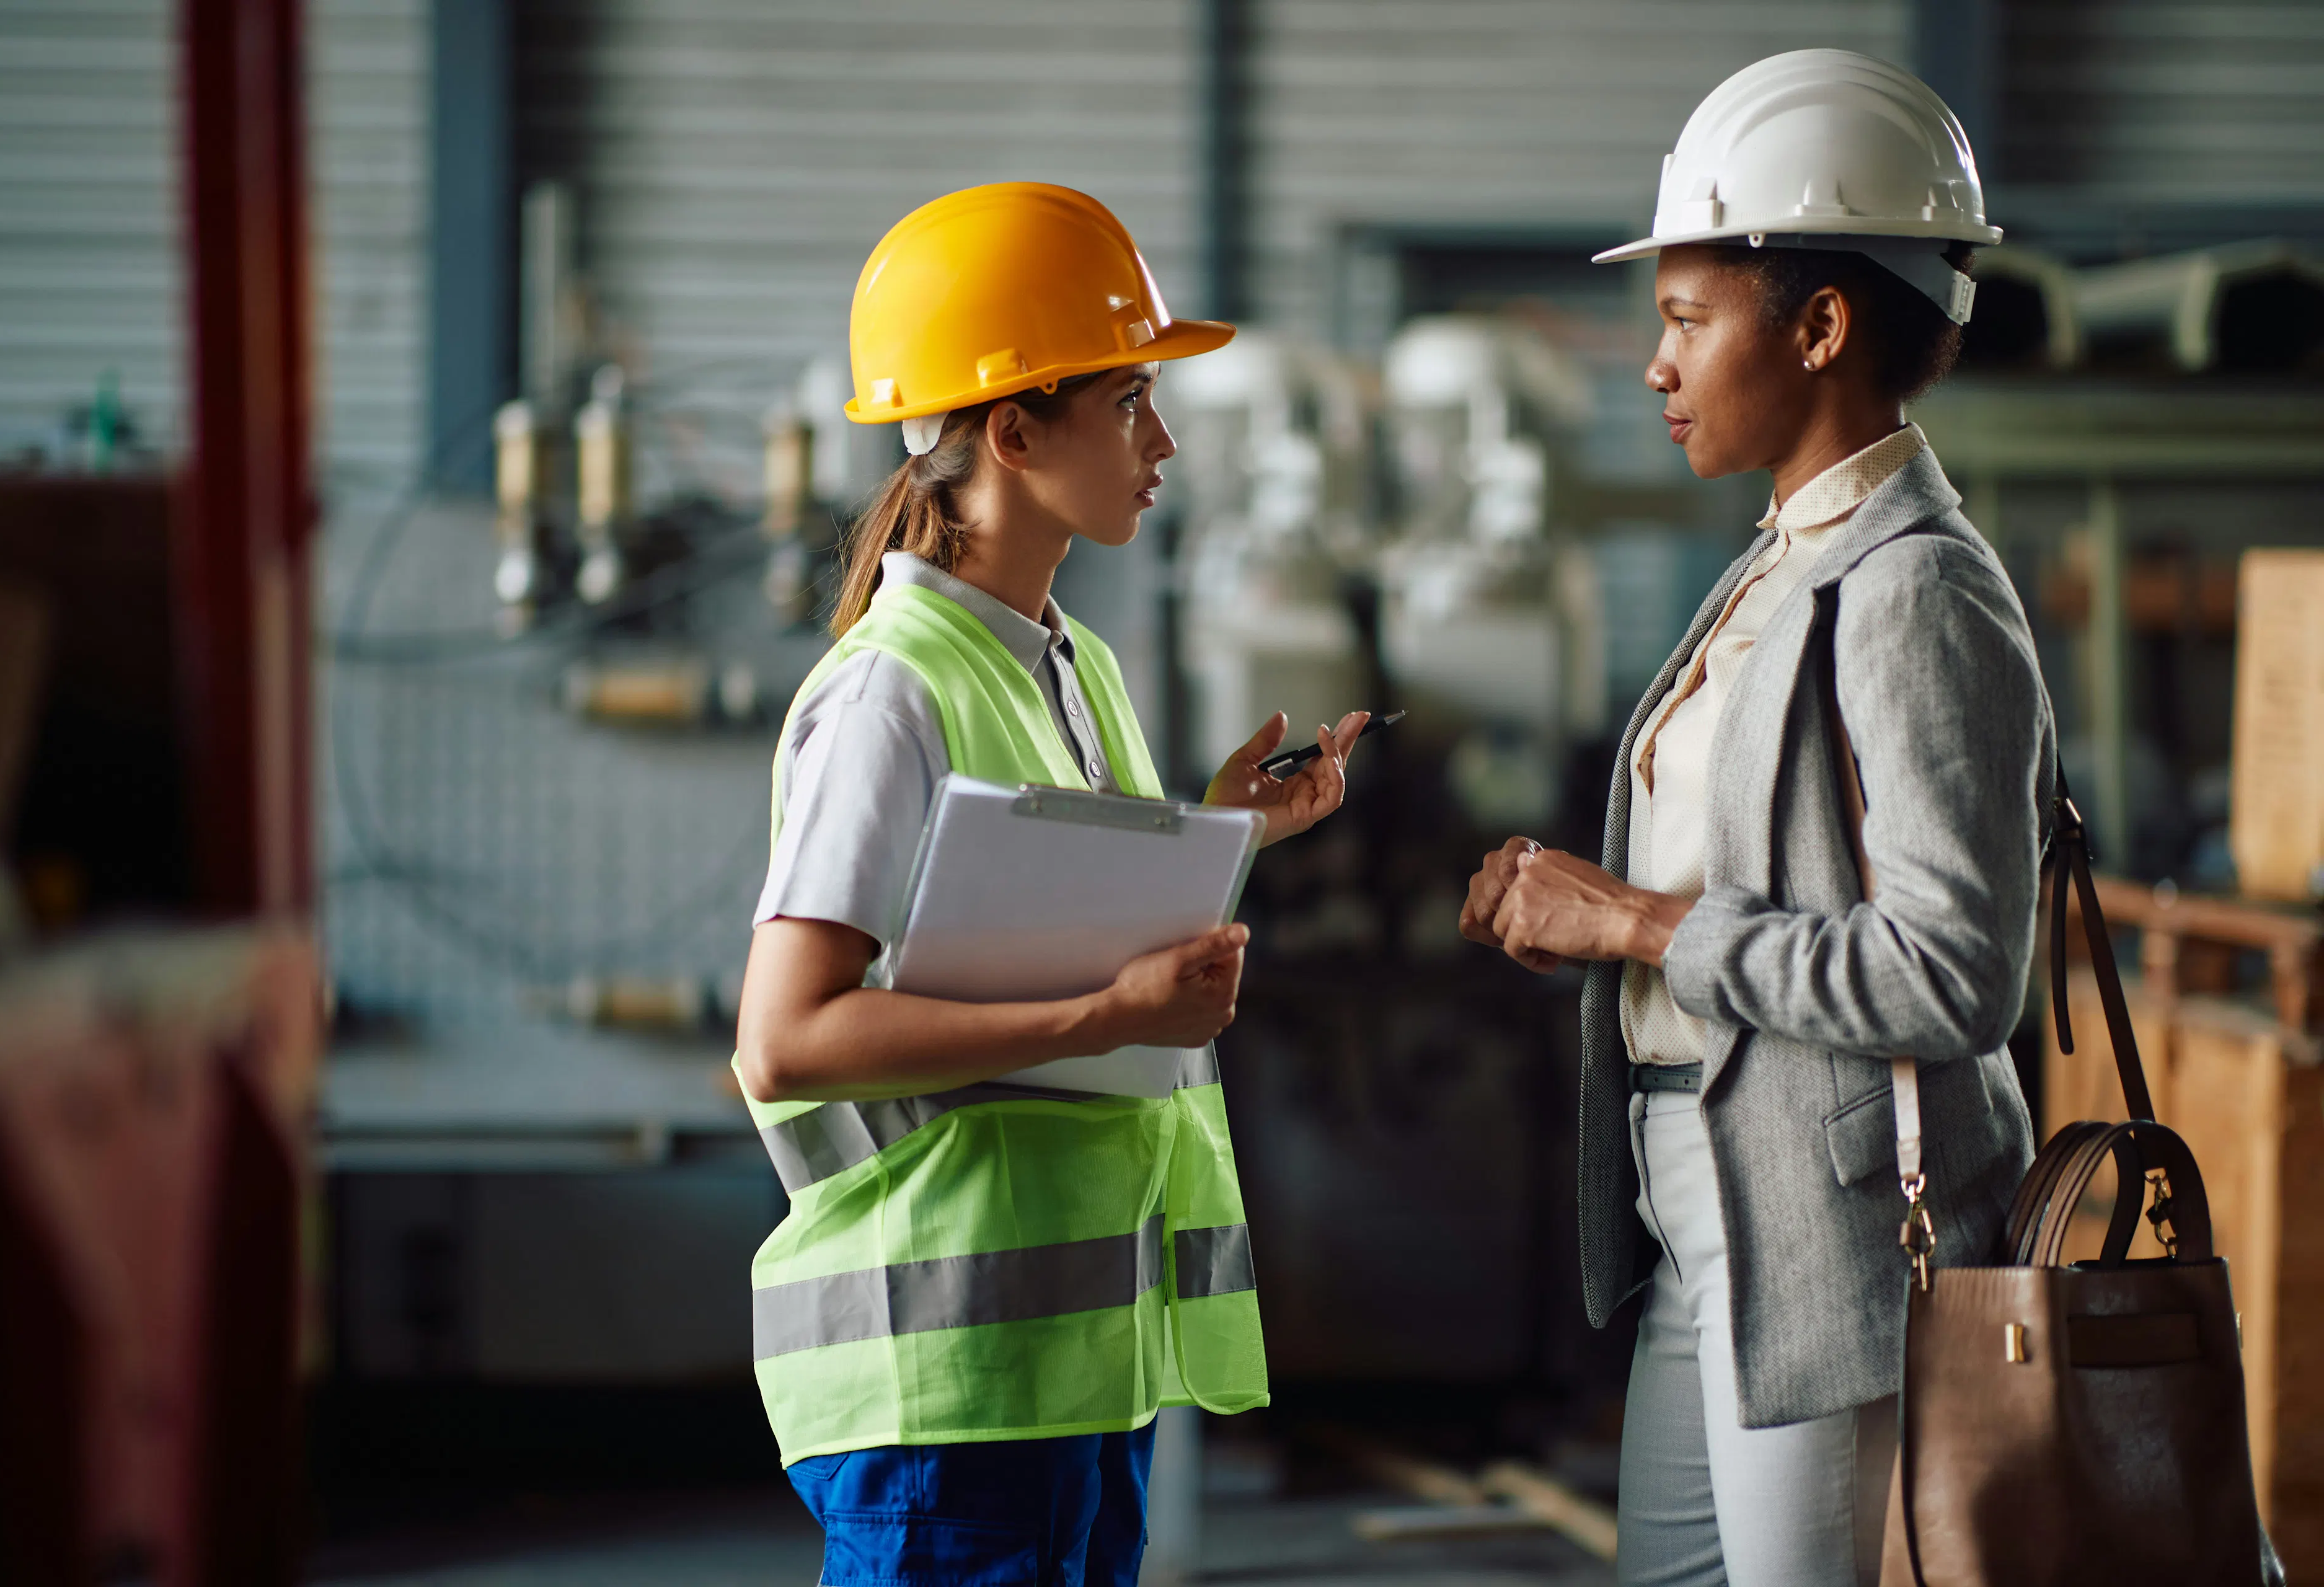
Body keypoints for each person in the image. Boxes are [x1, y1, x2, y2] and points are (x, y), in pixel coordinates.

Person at [1458, 52, 2052, 1587]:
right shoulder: (1785, 560)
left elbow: (1955, 974)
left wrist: (1640, 924)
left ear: (1825, 322)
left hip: (1845, 1240)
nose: (1654, 366)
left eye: (1685, 317)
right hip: (1714, 1216)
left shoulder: (1914, 587)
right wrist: (1588, 918)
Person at [734, 182, 1370, 1587]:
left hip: (1069, 1367)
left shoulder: (1066, 662)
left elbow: (1040, 922)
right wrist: (1104, 1013)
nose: (1164, 440)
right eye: (1131, 399)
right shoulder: (891, 692)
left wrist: (1222, 830)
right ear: (1014, 430)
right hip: (944, 1388)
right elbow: (786, 1042)